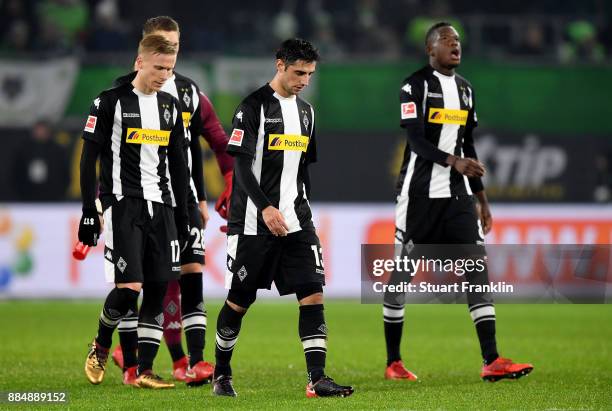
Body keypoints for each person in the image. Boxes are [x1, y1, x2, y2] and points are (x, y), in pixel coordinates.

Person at [383, 22, 534, 382]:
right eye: (446, 40)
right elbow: (416, 142)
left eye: (458, 41)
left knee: (477, 270)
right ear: (429, 49)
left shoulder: (466, 91)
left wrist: (482, 198)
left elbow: (468, 147)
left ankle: (492, 359)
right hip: (418, 195)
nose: (455, 45)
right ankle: (393, 362)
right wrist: (454, 162)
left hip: (458, 197)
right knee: (401, 276)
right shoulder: (414, 85)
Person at [211, 38, 354, 398]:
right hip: (254, 223)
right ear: (279, 65)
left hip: (297, 222)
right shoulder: (252, 107)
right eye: (298, 72)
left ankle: (317, 378)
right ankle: (221, 373)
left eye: (309, 74)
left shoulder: (307, 112)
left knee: (312, 294)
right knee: (239, 301)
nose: (304, 80)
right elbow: (240, 166)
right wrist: (264, 207)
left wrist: (300, 210)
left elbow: (302, 169)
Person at [109, 16, 233, 387]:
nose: (170, 54)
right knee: (143, 282)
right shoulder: (121, 94)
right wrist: (102, 202)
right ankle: (129, 358)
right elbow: (108, 154)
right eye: (163, 46)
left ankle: (192, 361)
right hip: (133, 201)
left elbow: (216, 137)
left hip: (184, 200)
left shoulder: (190, 93)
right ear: (145, 50)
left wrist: (228, 181)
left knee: (191, 271)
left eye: (175, 47)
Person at [79, 34, 189, 389]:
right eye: (158, 67)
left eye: (169, 69)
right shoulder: (109, 102)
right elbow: (88, 158)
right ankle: (100, 344)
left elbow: (178, 167)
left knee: (158, 287)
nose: (163, 75)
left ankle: (143, 370)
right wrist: (88, 210)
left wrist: (185, 216)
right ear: (139, 62)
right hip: (122, 204)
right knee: (130, 287)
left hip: (163, 205)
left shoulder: (171, 107)